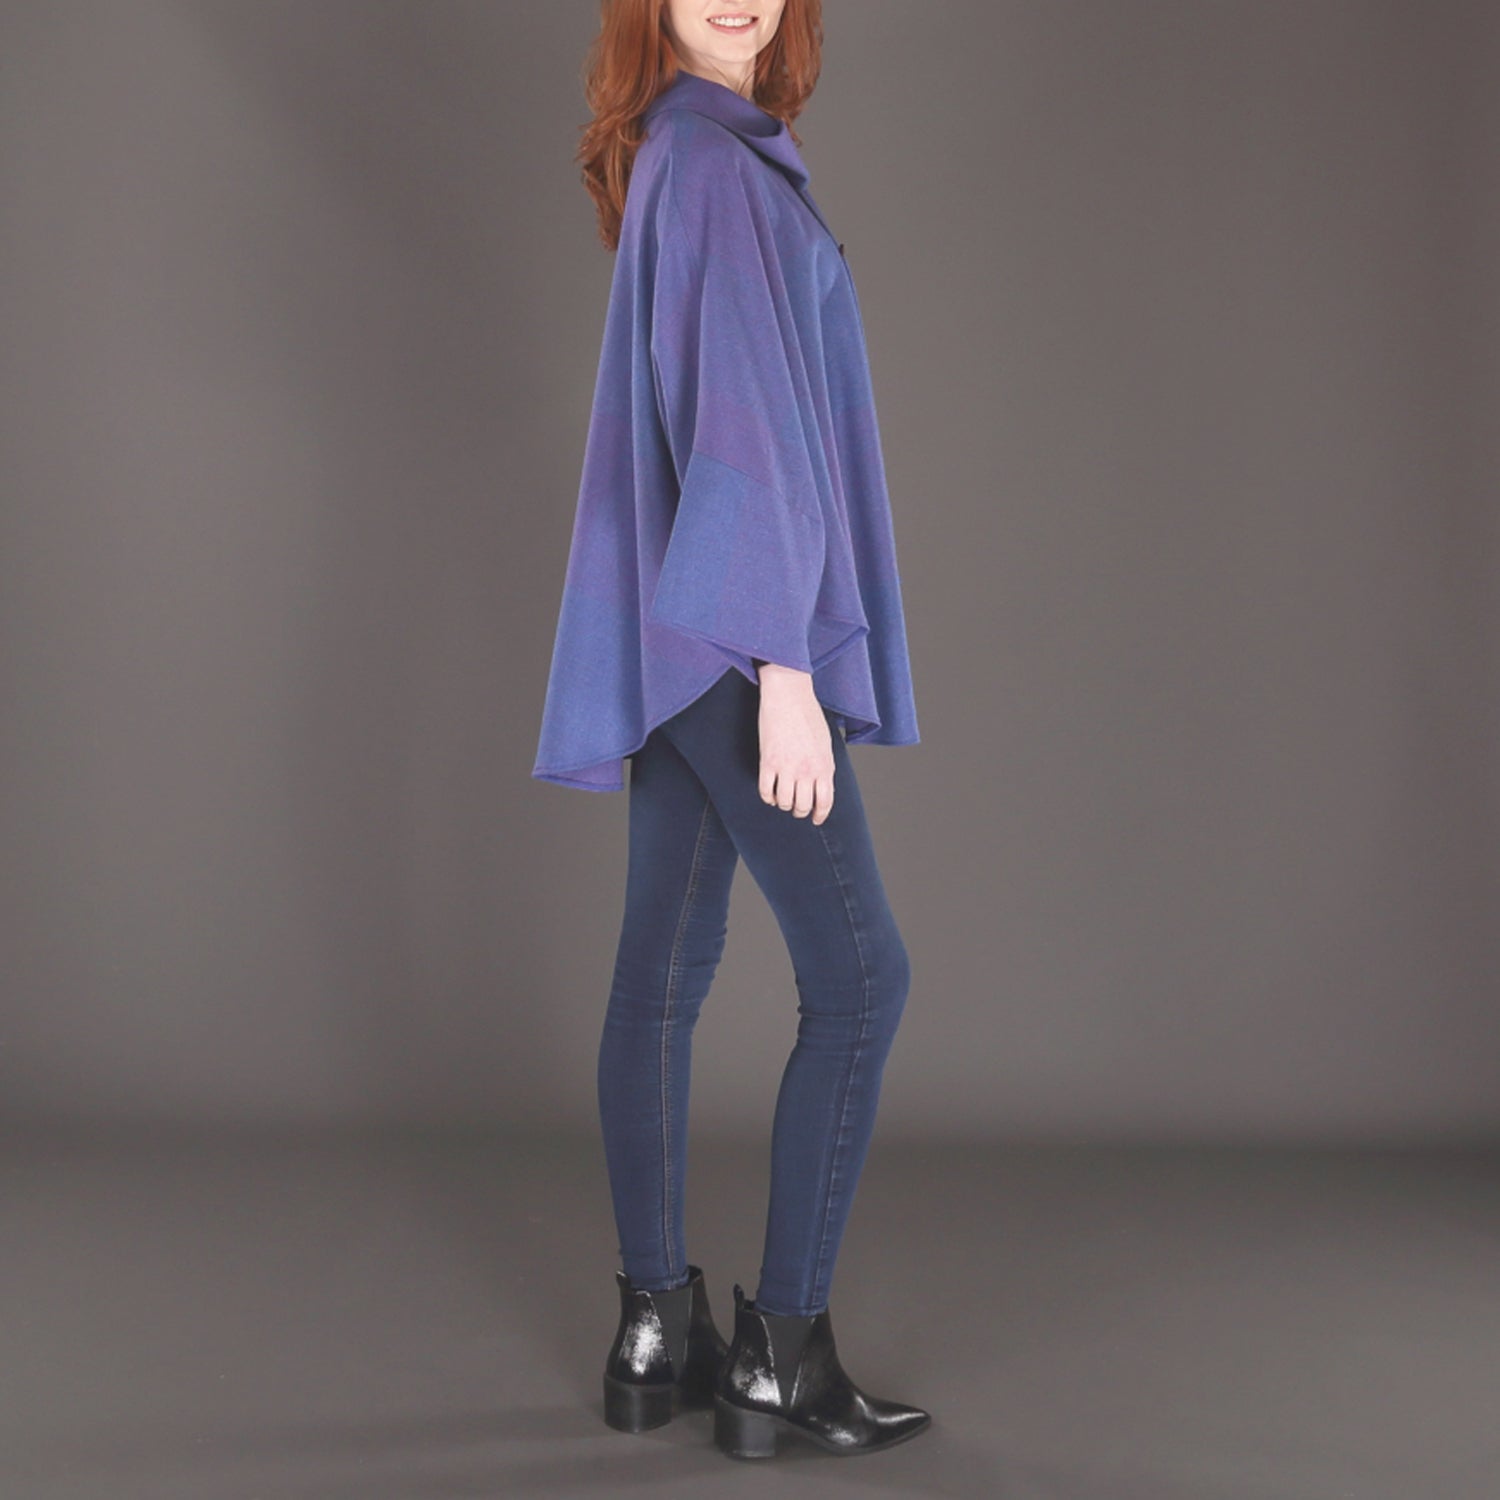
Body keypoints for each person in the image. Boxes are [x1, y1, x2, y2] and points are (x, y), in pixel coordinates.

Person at [532, 0, 930, 1460]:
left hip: (675, 628)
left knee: (661, 975)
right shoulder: (710, 163)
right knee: (862, 980)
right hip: (730, 636)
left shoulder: (689, 152)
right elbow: (741, 429)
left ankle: (655, 1331)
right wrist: (786, 668)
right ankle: (782, 1358)